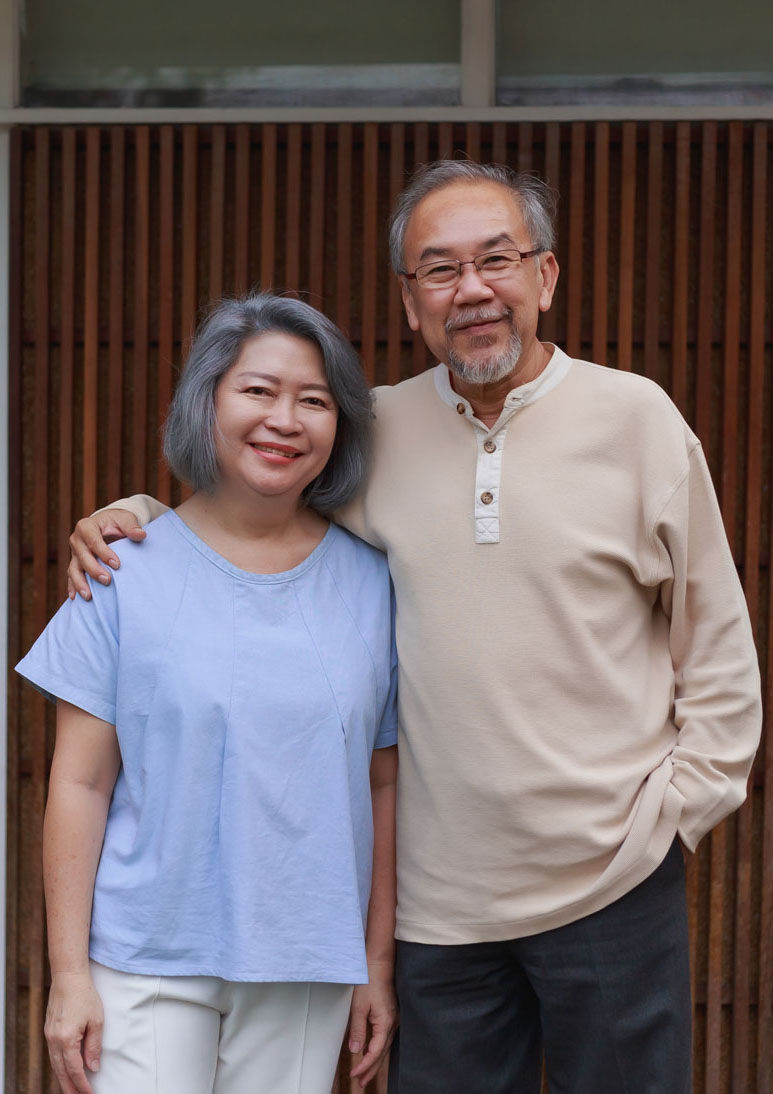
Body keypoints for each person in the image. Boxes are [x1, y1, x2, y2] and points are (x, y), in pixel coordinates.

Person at [67, 161, 762, 1094]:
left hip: (612, 879)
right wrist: (142, 515)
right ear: (409, 301)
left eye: (496, 261)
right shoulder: (370, 433)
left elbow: (716, 649)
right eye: (438, 270)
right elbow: (252, 501)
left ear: (545, 277)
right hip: (437, 912)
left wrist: (677, 815)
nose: (470, 290)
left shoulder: (637, 420)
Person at [18, 293, 399, 1094]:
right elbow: (79, 783)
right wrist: (67, 973)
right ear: (208, 401)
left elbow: (385, 782)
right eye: (257, 391)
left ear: (340, 426)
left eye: (314, 401)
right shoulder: (121, 569)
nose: (284, 420)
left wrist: (374, 964)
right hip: (140, 957)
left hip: (304, 962)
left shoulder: (376, 585)